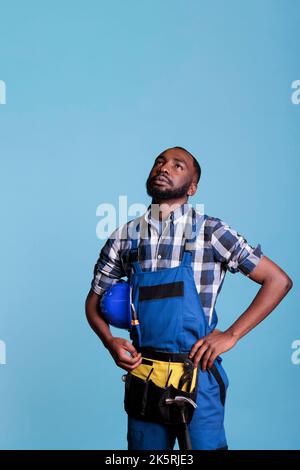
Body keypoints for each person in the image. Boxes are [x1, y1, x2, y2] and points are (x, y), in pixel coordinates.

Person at [85, 146, 293, 450]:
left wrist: (232, 335)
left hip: (197, 376)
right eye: (159, 162)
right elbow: (93, 302)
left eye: (178, 165)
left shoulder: (211, 232)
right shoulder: (123, 237)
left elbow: (278, 281)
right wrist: (109, 341)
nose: (164, 167)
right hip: (144, 377)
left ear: (192, 187)